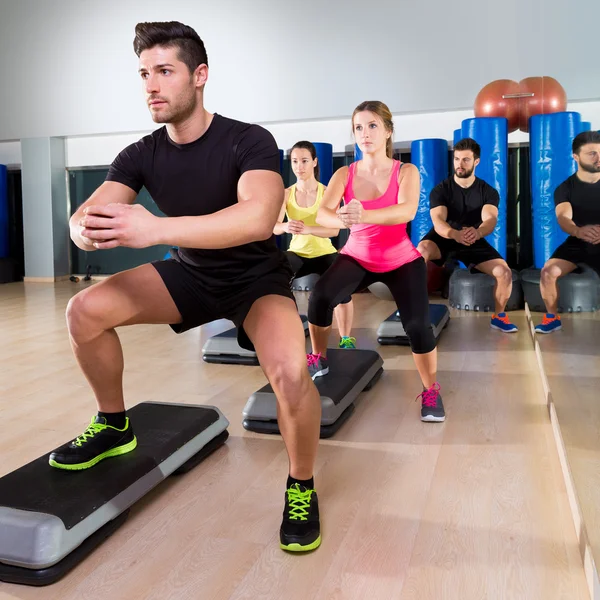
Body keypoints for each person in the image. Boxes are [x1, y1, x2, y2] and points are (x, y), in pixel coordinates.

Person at [52, 21, 321, 553]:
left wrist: (153, 229)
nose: (151, 85)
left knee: (291, 374)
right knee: (84, 311)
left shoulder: (248, 139)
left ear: (199, 76)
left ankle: (302, 484)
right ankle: (113, 425)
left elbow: (257, 218)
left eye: (165, 72)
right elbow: (90, 212)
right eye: (144, 74)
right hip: (191, 277)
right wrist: (81, 226)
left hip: (255, 281)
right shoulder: (141, 153)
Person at [307, 100, 445, 423]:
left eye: (372, 126)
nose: (364, 134)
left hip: (400, 258)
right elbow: (323, 213)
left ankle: (431, 390)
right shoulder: (345, 173)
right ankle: (319, 357)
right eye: (358, 127)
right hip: (357, 254)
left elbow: (407, 211)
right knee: (320, 297)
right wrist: (341, 217)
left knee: (417, 327)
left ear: (387, 131)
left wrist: (362, 213)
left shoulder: (405, 171)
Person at [416, 138, 517, 333]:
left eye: (465, 160)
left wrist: (478, 232)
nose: (459, 165)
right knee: (421, 251)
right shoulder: (441, 190)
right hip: (445, 236)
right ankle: (416, 312)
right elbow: (438, 221)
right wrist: (454, 234)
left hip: (473, 238)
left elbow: (490, 220)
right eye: (456, 159)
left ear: (476, 162)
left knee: (504, 272)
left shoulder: (488, 191)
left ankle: (499, 317)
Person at [274, 141, 356, 349]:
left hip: (324, 252)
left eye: (304, 161)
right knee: (275, 279)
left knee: (343, 288)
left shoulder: (327, 192)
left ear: (314, 162)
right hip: (297, 252)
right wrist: (285, 226)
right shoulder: (285, 194)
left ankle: (345, 338)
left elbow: (334, 230)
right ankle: (287, 333)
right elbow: (274, 227)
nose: (299, 167)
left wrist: (308, 229)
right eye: (294, 161)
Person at [535, 130, 600, 333]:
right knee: (548, 272)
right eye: (592, 153)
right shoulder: (565, 188)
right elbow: (563, 217)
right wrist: (578, 231)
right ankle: (551, 319)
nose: (599, 158)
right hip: (578, 241)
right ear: (576, 157)